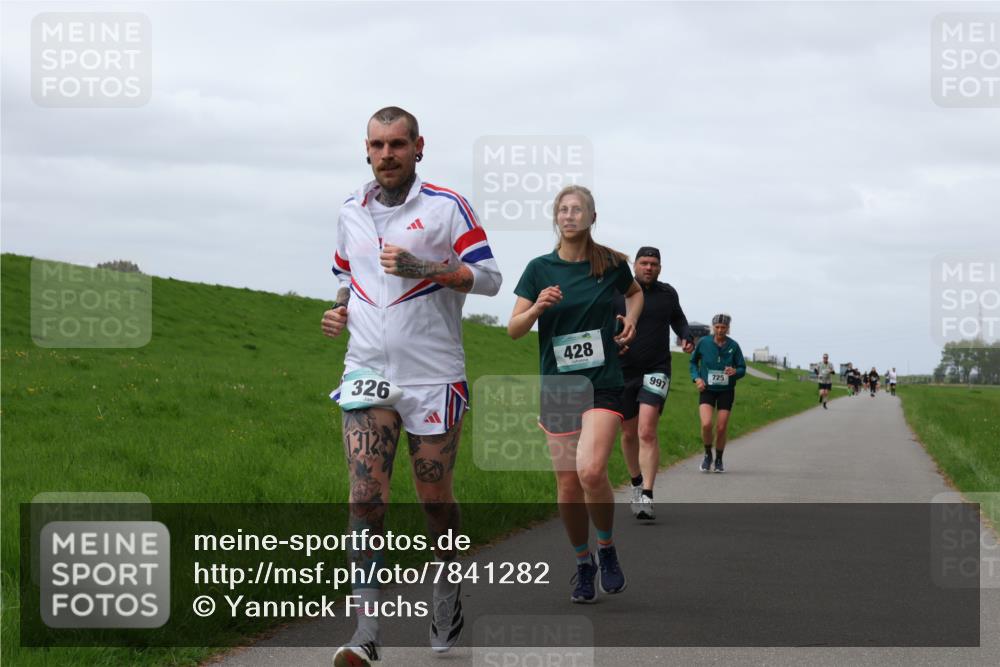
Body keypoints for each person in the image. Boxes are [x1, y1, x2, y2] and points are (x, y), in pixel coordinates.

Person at [322, 106, 502, 666]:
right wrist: (338, 312)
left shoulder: (447, 207)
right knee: (365, 497)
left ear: (418, 147)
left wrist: (425, 269)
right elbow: (345, 278)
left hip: (433, 376)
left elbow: (491, 279)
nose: (386, 155)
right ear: (366, 149)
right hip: (367, 372)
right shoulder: (350, 210)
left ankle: (446, 596)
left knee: (434, 499)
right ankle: (366, 632)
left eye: (397, 144)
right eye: (376, 145)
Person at [508, 184, 643, 604]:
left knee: (590, 471)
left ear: (591, 217)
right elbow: (513, 329)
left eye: (577, 209)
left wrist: (630, 321)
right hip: (559, 386)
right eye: (563, 210)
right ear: (556, 217)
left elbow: (635, 293)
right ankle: (583, 563)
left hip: (602, 381)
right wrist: (537, 308)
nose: (569, 215)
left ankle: (607, 548)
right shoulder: (539, 269)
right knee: (568, 485)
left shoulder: (611, 263)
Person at [614, 246, 694, 521]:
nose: (649, 268)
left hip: (657, 368)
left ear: (660, 268)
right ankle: (636, 482)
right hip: (624, 370)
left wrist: (686, 336)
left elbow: (678, 320)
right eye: (644, 263)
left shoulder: (667, 294)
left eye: (654, 264)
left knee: (646, 430)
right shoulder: (619, 292)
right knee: (628, 432)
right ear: (635, 265)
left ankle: (647, 494)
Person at [690, 314, 746, 473]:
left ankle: (719, 459)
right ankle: (708, 455)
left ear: (728, 328)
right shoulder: (703, 342)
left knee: (721, 427)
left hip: (726, 391)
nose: (720, 330)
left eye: (723, 327)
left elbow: (742, 368)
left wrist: (735, 371)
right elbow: (693, 362)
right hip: (707, 389)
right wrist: (697, 379)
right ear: (713, 327)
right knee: (707, 424)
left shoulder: (734, 346)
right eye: (717, 327)